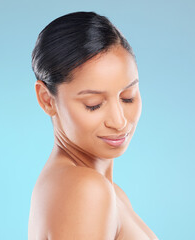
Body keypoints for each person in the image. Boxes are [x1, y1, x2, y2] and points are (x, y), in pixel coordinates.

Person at [28, 11, 159, 240]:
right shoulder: (85, 190)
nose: (119, 121)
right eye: (94, 104)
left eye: (128, 97)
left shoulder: (103, 191)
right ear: (47, 100)